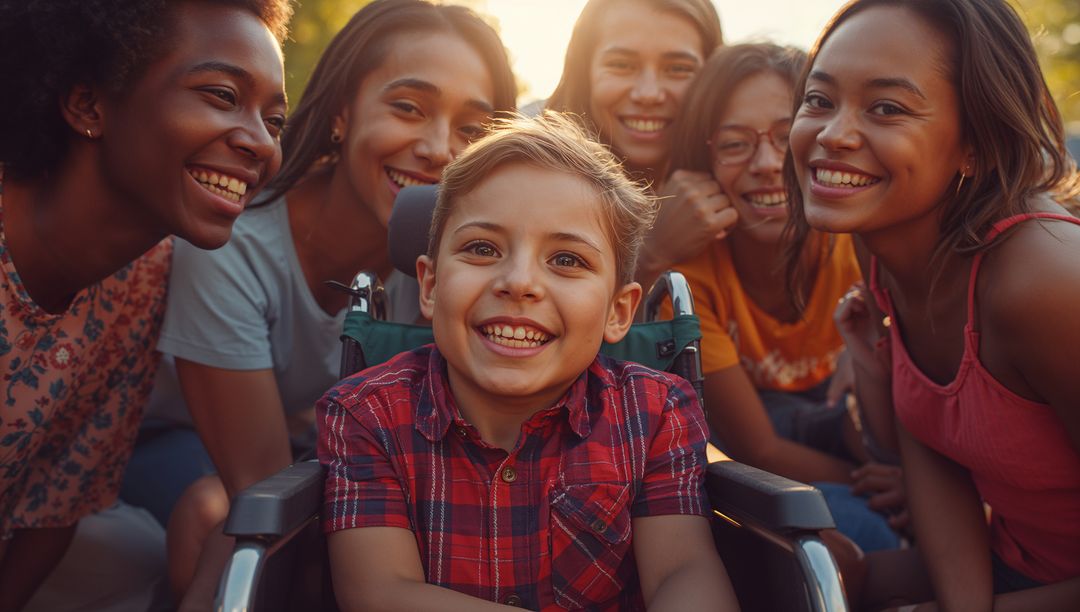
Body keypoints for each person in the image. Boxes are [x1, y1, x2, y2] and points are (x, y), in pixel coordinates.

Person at [128, 0, 517, 607]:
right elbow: (262, 483)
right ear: (341, 112)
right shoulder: (232, 243)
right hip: (174, 442)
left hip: (321, 449)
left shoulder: (449, 267)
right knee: (217, 513)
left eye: (472, 130)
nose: (441, 149)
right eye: (408, 108)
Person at [317, 112, 739, 611]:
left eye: (566, 260)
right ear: (429, 286)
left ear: (618, 311)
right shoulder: (366, 414)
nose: (519, 282)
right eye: (481, 248)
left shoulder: (655, 413)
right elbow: (380, 594)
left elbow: (682, 572)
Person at [787, 0, 1080, 608]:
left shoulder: (1048, 283)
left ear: (974, 141)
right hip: (1010, 562)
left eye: (886, 108)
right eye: (819, 100)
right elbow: (933, 448)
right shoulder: (885, 241)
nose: (833, 133)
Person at [0, 0, 291, 609]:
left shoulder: (144, 282)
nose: (260, 143)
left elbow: (57, 501)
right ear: (89, 105)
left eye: (275, 120)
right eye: (220, 94)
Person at [662, 43, 902, 553]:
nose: (767, 164)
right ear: (700, 161)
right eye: (734, 144)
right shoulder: (694, 274)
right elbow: (756, 446)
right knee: (866, 532)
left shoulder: (853, 235)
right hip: (764, 447)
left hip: (851, 415)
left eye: (784, 134)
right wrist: (878, 486)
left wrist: (906, 480)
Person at [546, 0, 736, 291]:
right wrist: (652, 251)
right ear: (585, 73)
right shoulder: (539, 180)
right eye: (621, 65)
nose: (648, 93)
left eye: (678, 68)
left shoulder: (742, 180)